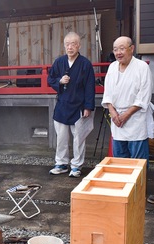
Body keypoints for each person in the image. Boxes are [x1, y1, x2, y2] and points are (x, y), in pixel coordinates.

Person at [101, 36, 153, 202]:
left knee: (138, 160)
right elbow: (107, 94)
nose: (118, 52)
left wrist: (126, 114)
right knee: (119, 159)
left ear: (132, 48)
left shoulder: (141, 68)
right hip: (117, 118)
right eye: (115, 49)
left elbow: (143, 96)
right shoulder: (112, 67)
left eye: (122, 48)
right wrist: (113, 112)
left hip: (135, 118)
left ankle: (138, 193)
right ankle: (123, 191)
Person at [47, 31, 95, 178]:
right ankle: (61, 163)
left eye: (73, 44)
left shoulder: (85, 64)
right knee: (61, 137)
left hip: (79, 106)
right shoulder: (59, 62)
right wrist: (59, 82)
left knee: (78, 138)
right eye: (67, 44)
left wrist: (88, 107)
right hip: (62, 104)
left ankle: (76, 166)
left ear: (79, 46)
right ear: (64, 46)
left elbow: (90, 86)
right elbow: (50, 79)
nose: (70, 47)